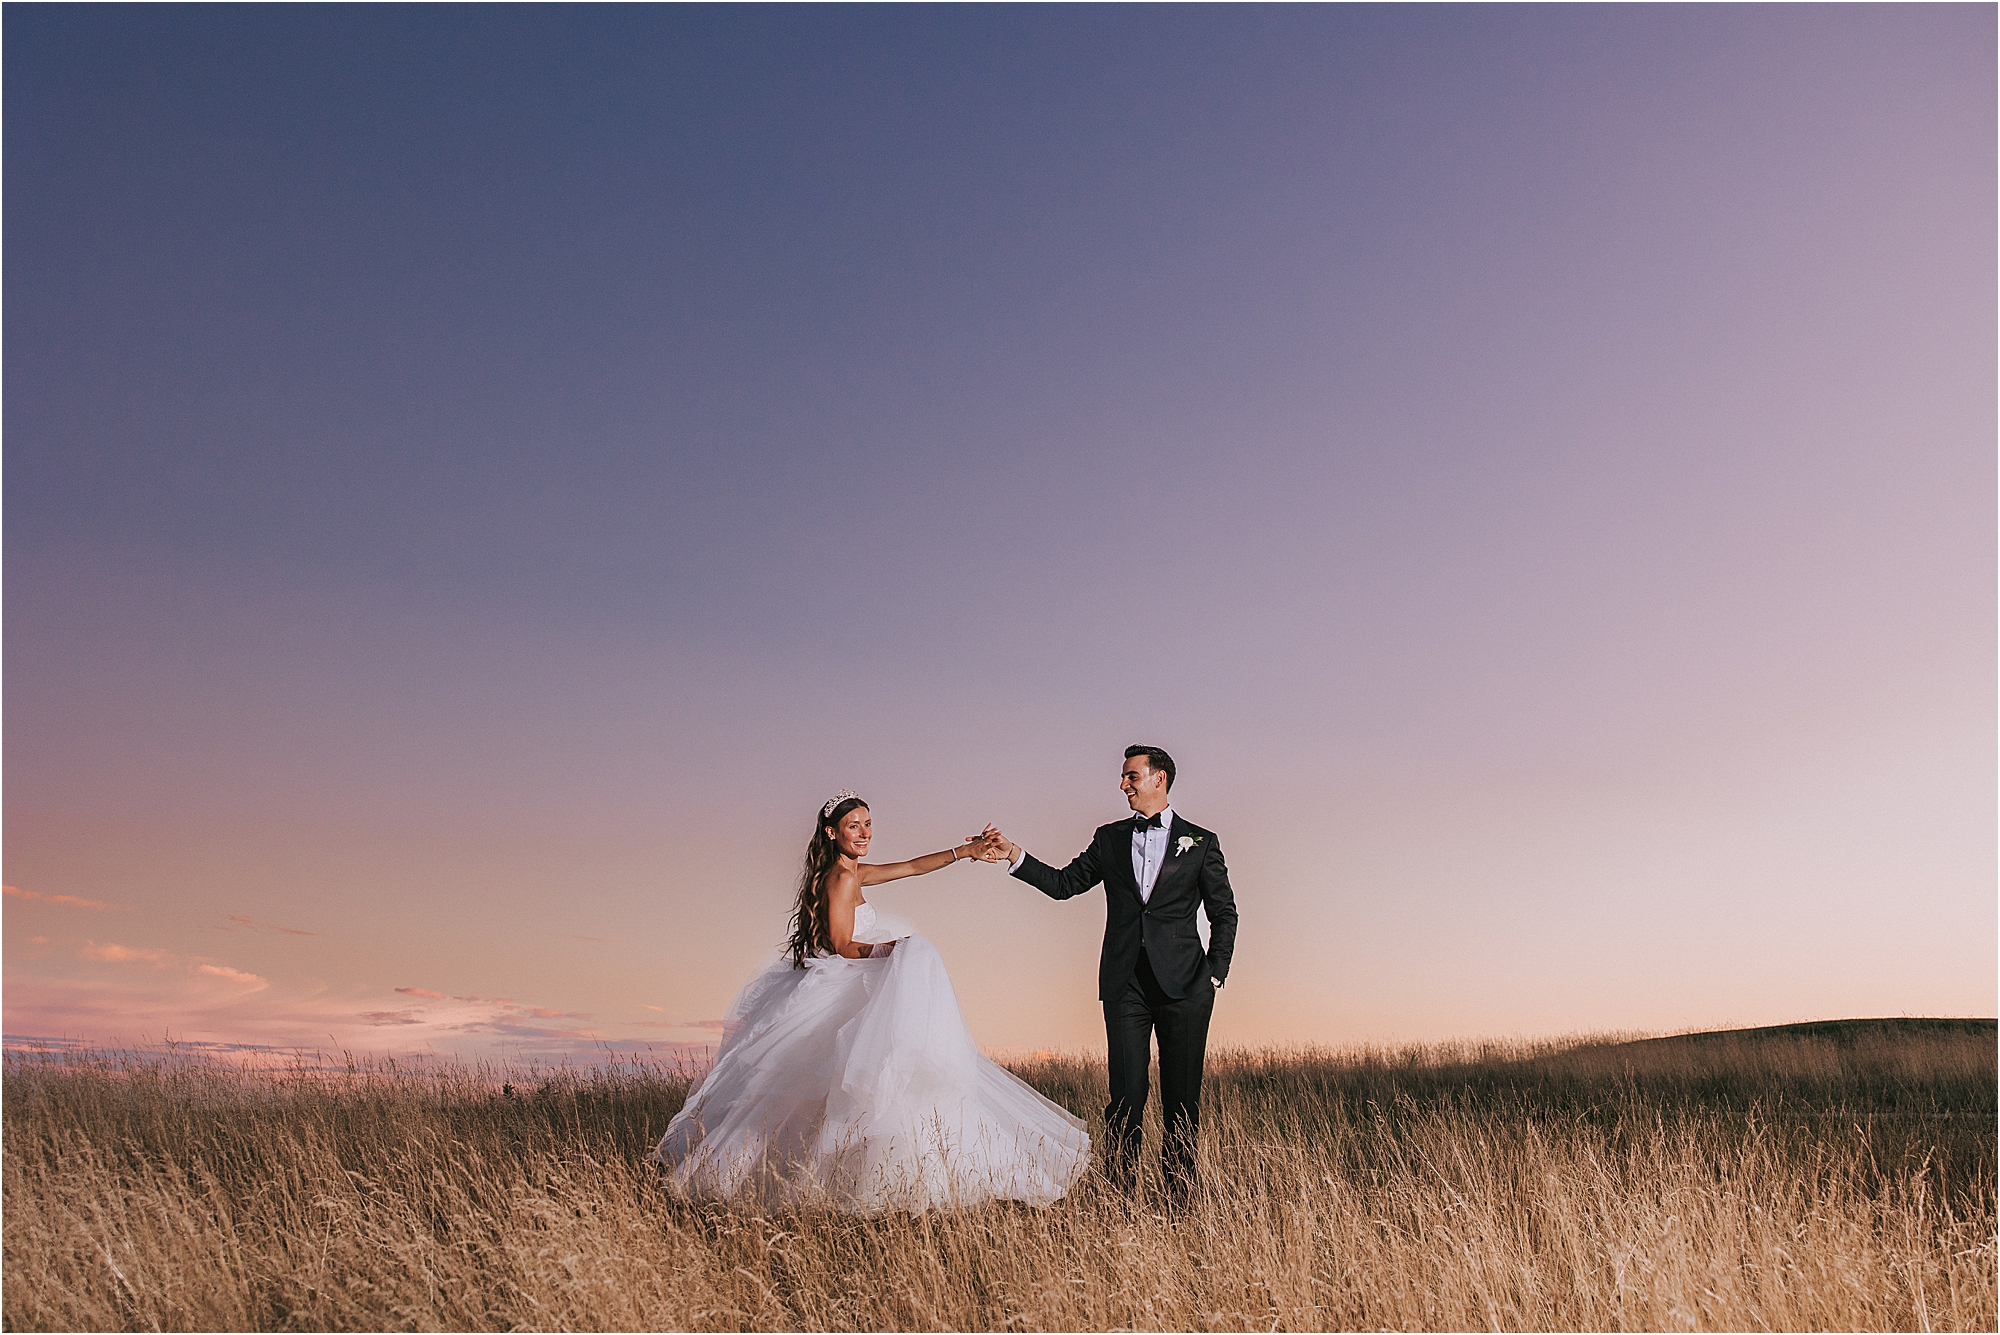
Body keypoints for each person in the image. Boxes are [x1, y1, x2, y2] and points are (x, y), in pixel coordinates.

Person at [650, 791, 1091, 1212]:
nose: (863, 833)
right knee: (845, 1088)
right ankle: (819, 1181)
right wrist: (895, 950)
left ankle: (833, 1176)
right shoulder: (841, 878)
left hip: (845, 981)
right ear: (831, 833)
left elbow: (913, 867)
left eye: (868, 824)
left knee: (837, 1091)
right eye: (852, 826)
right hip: (840, 983)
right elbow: (843, 944)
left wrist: (967, 851)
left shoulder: (853, 871)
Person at [987, 745, 1237, 1201]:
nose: (1124, 785)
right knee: (1125, 1095)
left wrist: (1214, 974)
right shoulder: (1110, 838)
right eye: (1124, 777)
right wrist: (1013, 854)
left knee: (1182, 1100)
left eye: (1131, 777)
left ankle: (1180, 1199)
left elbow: (1225, 912)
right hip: (1125, 986)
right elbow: (1065, 885)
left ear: (1159, 779)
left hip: (1186, 987)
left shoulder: (1201, 842)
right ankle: (1120, 1197)